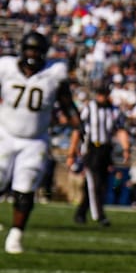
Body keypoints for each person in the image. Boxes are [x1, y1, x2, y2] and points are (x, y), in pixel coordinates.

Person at [0, 32, 78, 254]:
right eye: (29, 49)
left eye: (37, 50)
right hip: (4, 134)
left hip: (35, 141)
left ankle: (16, 236)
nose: (32, 54)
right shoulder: (6, 67)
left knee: (25, 189)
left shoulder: (54, 73)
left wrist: (79, 126)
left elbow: (67, 103)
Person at [68, 79, 128, 227]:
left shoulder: (113, 111)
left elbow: (120, 130)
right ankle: (100, 216)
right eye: (101, 94)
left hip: (106, 149)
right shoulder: (89, 108)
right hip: (91, 149)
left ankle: (81, 213)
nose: (102, 97)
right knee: (95, 183)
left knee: (100, 184)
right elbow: (77, 130)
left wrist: (126, 149)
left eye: (105, 94)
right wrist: (72, 153)